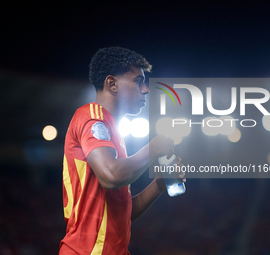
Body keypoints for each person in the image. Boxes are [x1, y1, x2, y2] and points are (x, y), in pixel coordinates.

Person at [59, 46, 185, 255]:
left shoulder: (114, 134)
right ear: (112, 83)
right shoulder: (91, 117)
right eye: (138, 81)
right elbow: (110, 176)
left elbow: (121, 213)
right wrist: (152, 148)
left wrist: (158, 185)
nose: (145, 89)